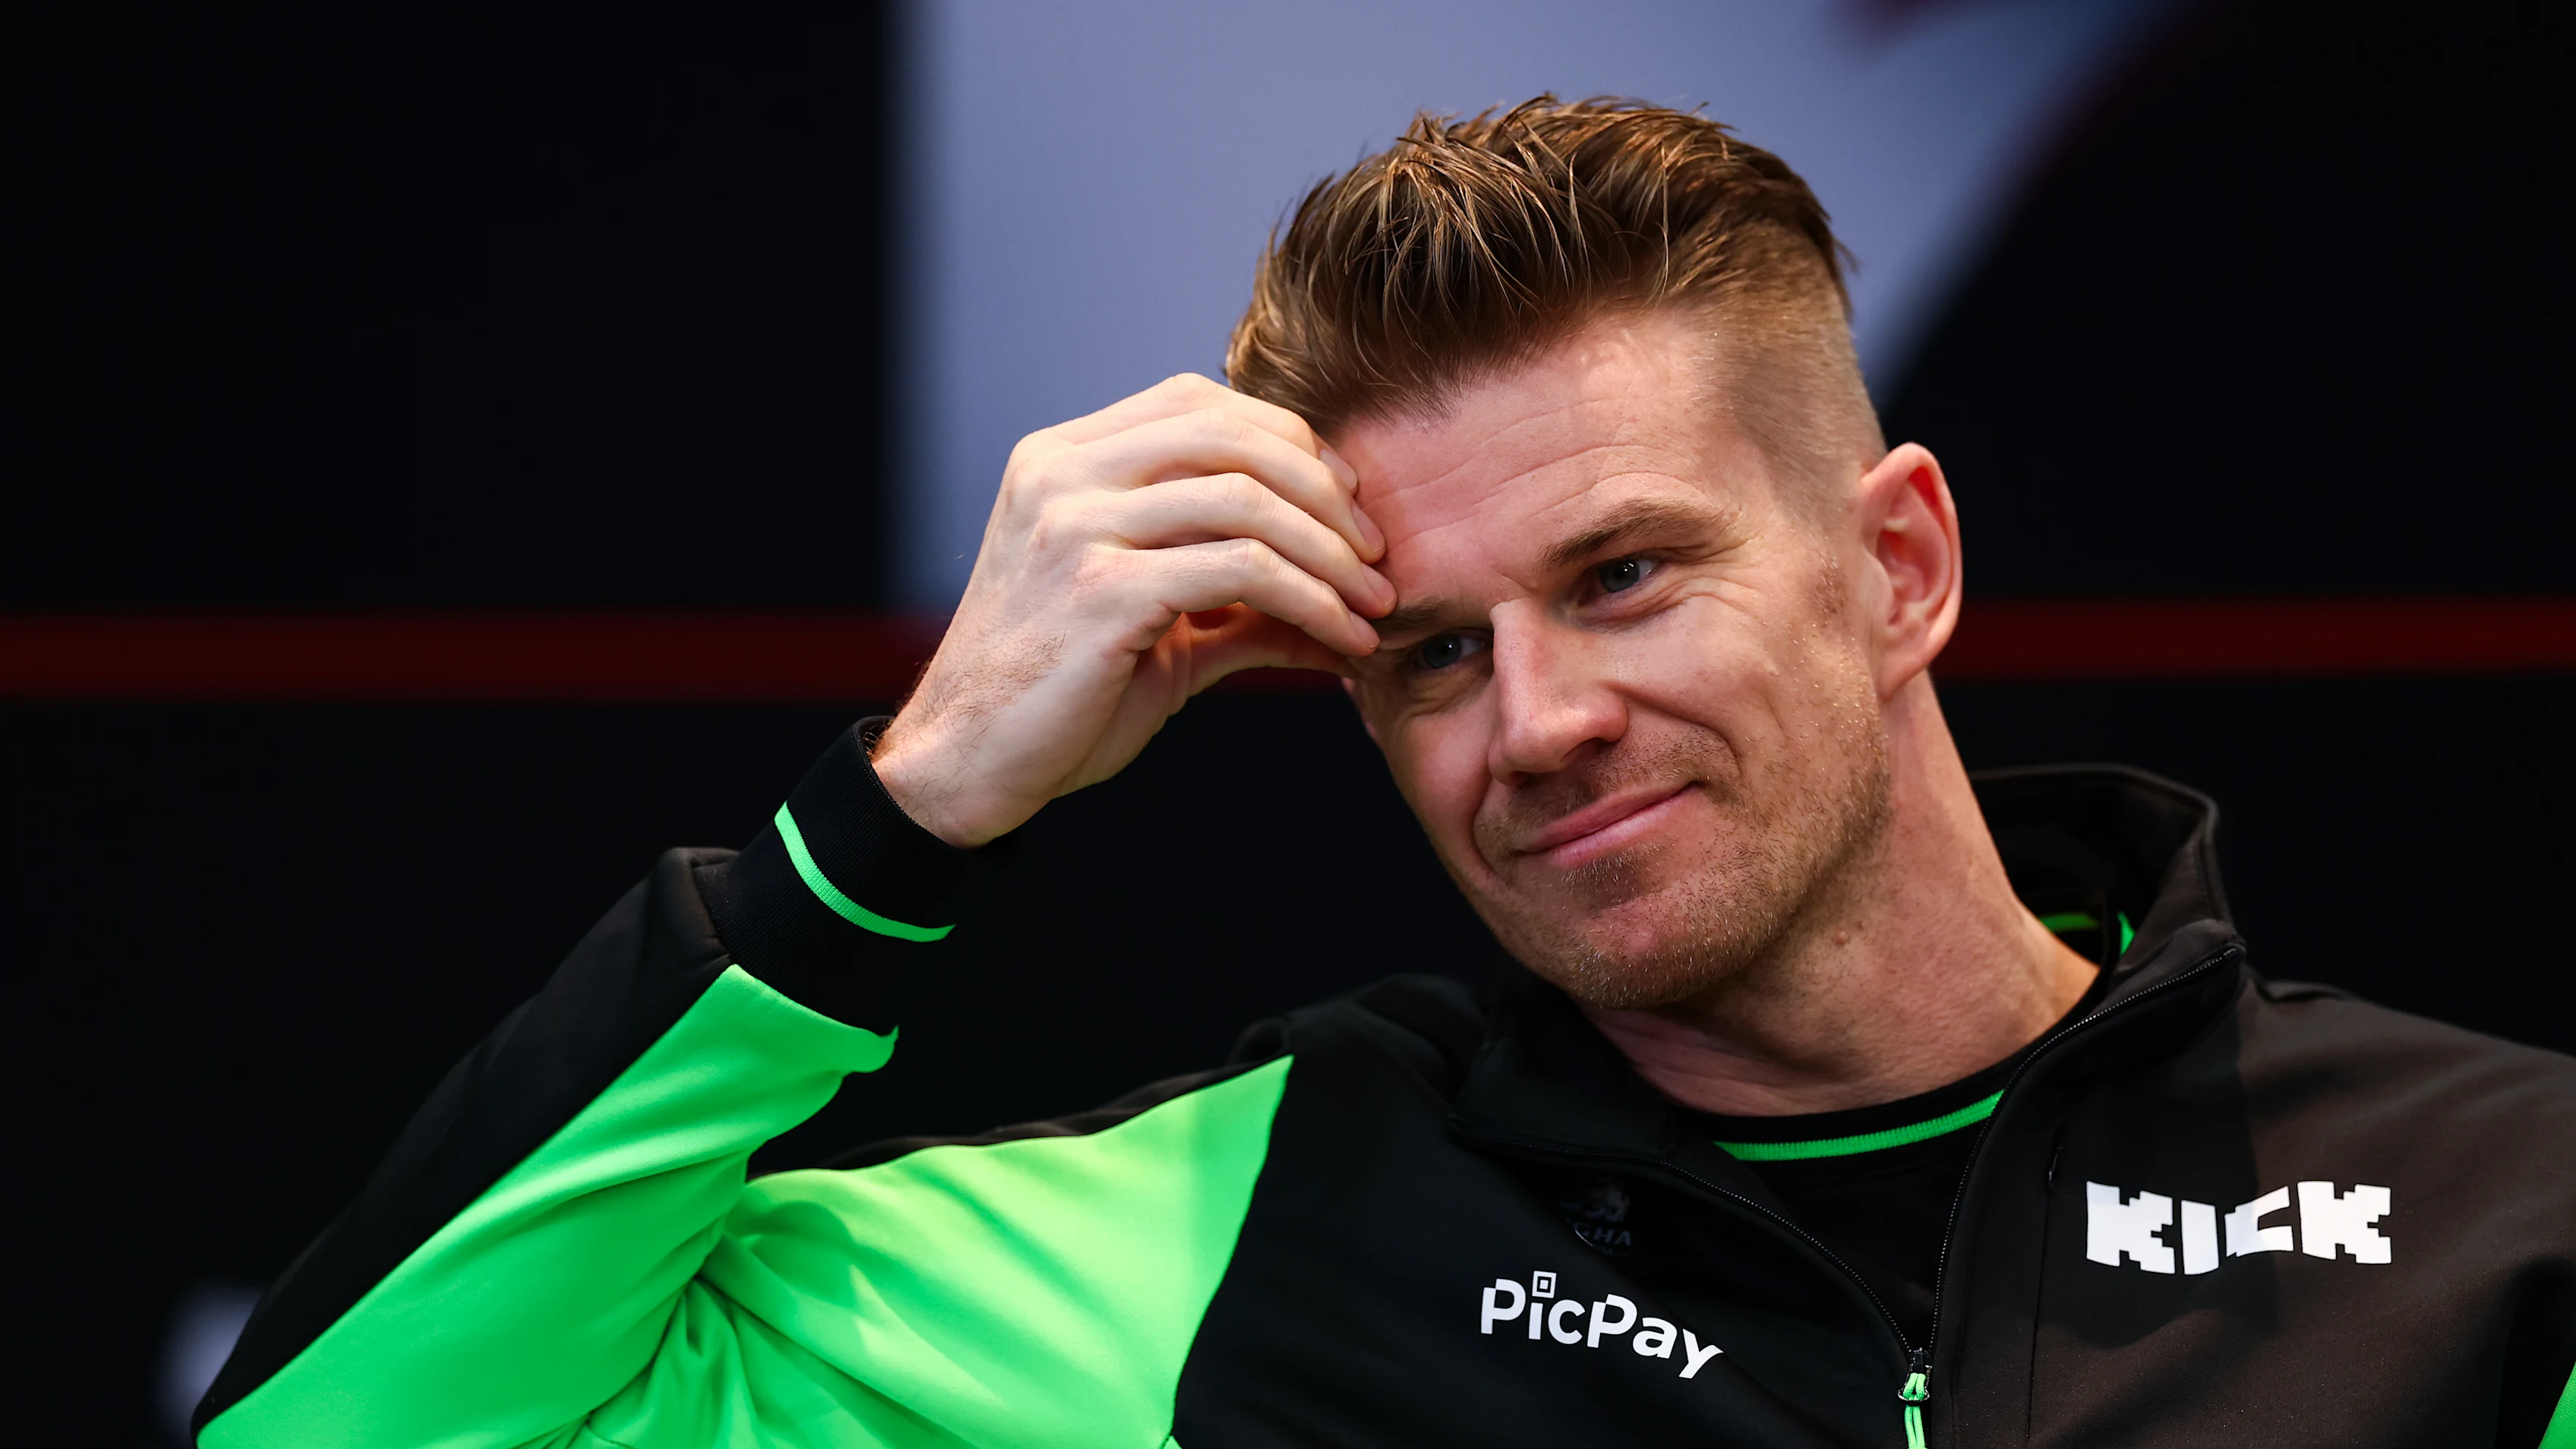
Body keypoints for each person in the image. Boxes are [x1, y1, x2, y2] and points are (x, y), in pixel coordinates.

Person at [196, 98, 2574, 1448]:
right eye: (1432, 649)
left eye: (1627, 573)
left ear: (1901, 567)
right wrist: (899, 816)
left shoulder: (2508, 1215)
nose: (1534, 721)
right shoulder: (1232, 1236)